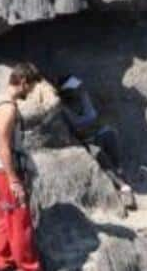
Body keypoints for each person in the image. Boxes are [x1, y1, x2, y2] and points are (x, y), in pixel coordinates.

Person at [0, 63, 48, 271]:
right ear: (23, 82)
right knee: (20, 220)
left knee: (4, 217)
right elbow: (3, 145)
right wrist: (14, 180)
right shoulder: (8, 108)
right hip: (6, 172)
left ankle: (0, 264)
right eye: (30, 87)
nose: (30, 92)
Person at [55, 75, 136, 209]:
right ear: (67, 92)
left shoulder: (83, 97)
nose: (79, 90)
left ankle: (119, 171)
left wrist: (90, 126)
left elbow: (92, 118)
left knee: (110, 134)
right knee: (97, 153)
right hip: (84, 139)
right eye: (75, 88)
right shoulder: (63, 108)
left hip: (95, 132)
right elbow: (75, 127)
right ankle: (121, 185)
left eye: (78, 87)